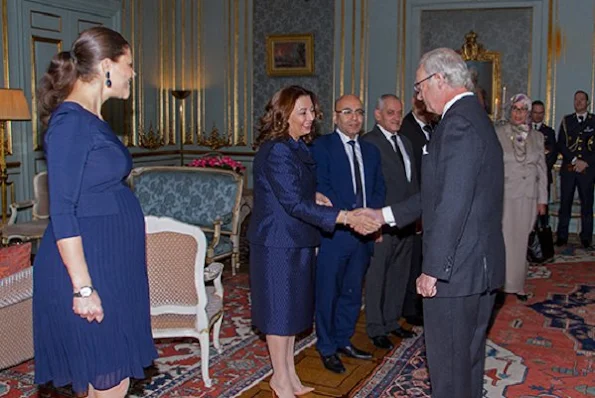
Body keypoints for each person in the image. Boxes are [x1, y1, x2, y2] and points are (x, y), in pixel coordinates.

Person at [361, 47, 505, 398]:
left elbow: (453, 204)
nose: (418, 94)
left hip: (456, 274)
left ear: (439, 79)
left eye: (420, 84)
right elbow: (436, 194)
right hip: (474, 268)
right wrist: (384, 215)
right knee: (465, 364)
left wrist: (434, 270)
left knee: (449, 371)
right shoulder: (474, 117)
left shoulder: (458, 124)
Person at [33, 27, 157, 397]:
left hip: (111, 263)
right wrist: (84, 288)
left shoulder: (92, 119)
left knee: (109, 375)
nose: (133, 73)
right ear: (107, 65)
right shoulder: (70, 122)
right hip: (88, 268)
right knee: (109, 375)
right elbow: (63, 211)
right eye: (129, 64)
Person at [247, 85, 380, 398]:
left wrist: (315, 196)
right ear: (284, 115)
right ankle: (280, 379)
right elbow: (292, 203)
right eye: (303, 112)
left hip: (297, 240)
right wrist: (345, 217)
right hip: (277, 244)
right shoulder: (277, 148)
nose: (311, 119)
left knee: (292, 312)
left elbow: (296, 194)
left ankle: (289, 374)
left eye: (312, 112)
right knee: (279, 315)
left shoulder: (295, 146)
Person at [310, 94, 386, 374]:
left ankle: (343, 339)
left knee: (353, 292)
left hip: (364, 234)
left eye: (358, 112)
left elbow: (379, 188)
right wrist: (351, 219)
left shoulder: (371, 151)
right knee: (328, 292)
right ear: (335, 116)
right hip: (336, 234)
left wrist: (371, 219)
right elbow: (323, 188)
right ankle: (327, 347)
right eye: (347, 112)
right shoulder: (322, 147)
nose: (354, 118)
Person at [360, 94, 418, 350]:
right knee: (377, 276)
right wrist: (373, 225)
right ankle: (375, 327)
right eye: (391, 113)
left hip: (405, 221)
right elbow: (367, 186)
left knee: (399, 274)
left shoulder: (405, 141)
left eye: (399, 112)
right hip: (380, 223)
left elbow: (412, 183)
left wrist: (417, 216)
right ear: (378, 115)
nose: (396, 117)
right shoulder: (369, 143)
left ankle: (392, 321)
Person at [495, 94, 547, 301]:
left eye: (523, 109)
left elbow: (542, 170)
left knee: (523, 239)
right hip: (507, 195)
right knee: (506, 239)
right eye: (515, 109)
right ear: (510, 111)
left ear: (528, 113)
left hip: (529, 196)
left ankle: (519, 285)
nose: (519, 113)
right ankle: (502, 284)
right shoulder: (499, 133)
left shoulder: (538, 137)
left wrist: (542, 199)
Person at [399, 93, 438, 326]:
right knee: (412, 260)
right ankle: (410, 308)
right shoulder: (406, 129)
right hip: (415, 203)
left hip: (430, 202)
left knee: (425, 257)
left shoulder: (433, 128)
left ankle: (421, 303)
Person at [555, 90, 595, 248]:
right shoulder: (567, 121)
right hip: (569, 169)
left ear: (588, 103)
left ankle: (586, 238)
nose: (578, 102)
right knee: (565, 204)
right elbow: (561, 144)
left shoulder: (594, 121)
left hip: (587, 170)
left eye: (582, 99)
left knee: (587, 205)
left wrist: (585, 162)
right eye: (576, 99)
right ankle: (562, 236)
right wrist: (573, 160)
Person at [531, 99, 557, 226]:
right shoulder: (524, 130)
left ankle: (542, 237)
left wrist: (541, 170)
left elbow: (552, 155)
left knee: (542, 209)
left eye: (541, 113)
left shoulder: (549, 132)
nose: (538, 115)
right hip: (527, 177)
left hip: (543, 177)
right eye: (535, 112)